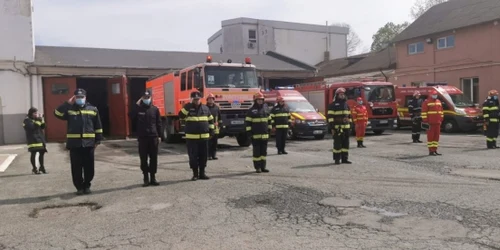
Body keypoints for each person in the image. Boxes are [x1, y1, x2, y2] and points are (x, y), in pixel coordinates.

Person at [54, 88, 103, 195]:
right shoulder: (70, 109)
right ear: (74, 98)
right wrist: (67, 103)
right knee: (76, 168)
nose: (79, 99)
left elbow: (98, 126)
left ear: (85, 98)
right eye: (77, 97)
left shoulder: (93, 109)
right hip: (74, 144)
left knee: (89, 167)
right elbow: (57, 113)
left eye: (81, 97)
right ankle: (79, 187)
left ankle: (87, 185)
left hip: (89, 144)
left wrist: (98, 140)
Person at [179, 91, 214, 181]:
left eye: (198, 99)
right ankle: (195, 174)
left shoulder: (205, 108)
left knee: (204, 156)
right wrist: (187, 107)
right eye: (194, 99)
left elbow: (211, 120)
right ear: (192, 99)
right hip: (192, 138)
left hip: (204, 137)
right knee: (193, 156)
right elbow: (181, 115)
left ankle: (202, 173)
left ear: (200, 99)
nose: (196, 101)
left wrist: (212, 131)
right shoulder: (188, 108)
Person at [129, 91, 162, 186]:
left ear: (150, 98)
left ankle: (153, 178)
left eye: (148, 97)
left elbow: (158, 123)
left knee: (153, 158)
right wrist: (136, 105)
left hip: (153, 137)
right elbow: (131, 116)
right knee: (143, 159)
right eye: (145, 97)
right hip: (143, 138)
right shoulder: (138, 109)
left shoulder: (155, 109)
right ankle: (145, 178)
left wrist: (159, 136)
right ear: (142, 98)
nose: (147, 99)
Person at [245, 92, 272, 173]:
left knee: (264, 152)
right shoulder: (251, 111)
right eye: (258, 100)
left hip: (264, 135)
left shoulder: (266, 109)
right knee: (257, 153)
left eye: (261, 100)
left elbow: (269, 120)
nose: (260, 101)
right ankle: (257, 167)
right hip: (255, 136)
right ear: (255, 100)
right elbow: (248, 123)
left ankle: (263, 167)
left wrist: (269, 130)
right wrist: (249, 133)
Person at [327, 88, 352, 165]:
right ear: (337, 95)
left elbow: (349, 116)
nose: (342, 95)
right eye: (340, 94)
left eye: (343, 94)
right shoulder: (332, 105)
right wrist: (333, 127)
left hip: (346, 129)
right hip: (337, 128)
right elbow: (330, 117)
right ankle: (337, 159)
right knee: (337, 145)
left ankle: (345, 159)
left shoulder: (346, 105)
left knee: (346, 144)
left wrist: (350, 126)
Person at [23, 107, 48, 174]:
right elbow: (33, 128)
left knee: (42, 153)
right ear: (31, 113)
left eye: (36, 113)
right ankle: (34, 168)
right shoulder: (27, 120)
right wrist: (38, 120)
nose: (36, 114)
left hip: (40, 139)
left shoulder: (37, 119)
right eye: (34, 113)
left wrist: (41, 119)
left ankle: (42, 167)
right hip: (33, 140)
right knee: (33, 154)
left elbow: (43, 126)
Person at [421, 90, 444, 156]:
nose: (435, 95)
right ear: (430, 95)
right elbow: (424, 112)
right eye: (434, 94)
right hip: (430, 123)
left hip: (437, 122)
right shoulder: (426, 102)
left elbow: (441, 111)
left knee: (436, 137)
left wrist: (441, 119)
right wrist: (425, 121)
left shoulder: (438, 101)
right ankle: (431, 151)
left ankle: (435, 150)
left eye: (436, 94)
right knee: (430, 137)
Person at [206, 93, 222, 160]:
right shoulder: (205, 108)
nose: (211, 100)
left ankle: (214, 155)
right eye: (209, 99)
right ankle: (208, 155)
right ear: (207, 100)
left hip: (216, 129)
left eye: (212, 99)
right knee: (209, 143)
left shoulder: (216, 108)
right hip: (208, 128)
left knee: (215, 143)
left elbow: (220, 118)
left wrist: (220, 125)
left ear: (213, 100)